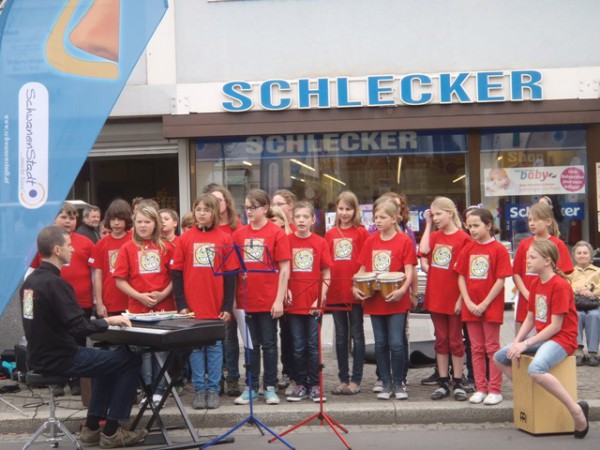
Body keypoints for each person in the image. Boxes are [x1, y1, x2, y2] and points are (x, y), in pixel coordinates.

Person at [21, 226, 147, 448]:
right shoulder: (56, 284)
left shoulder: (30, 284)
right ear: (57, 250)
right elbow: (78, 327)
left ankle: (91, 427)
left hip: (39, 356)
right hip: (61, 357)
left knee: (107, 360)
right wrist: (109, 321)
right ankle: (111, 431)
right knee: (130, 360)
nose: (73, 249)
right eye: (69, 245)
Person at [494, 240, 589, 439]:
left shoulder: (560, 285)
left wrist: (526, 343)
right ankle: (530, 393)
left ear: (547, 261)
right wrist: (518, 341)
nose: (527, 261)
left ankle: (576, 411)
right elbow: (530, 317)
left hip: (562, 339)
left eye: (532, 257)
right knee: (500, 357)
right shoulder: (536, 282)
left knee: (536, 369)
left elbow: (556, 326)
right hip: (543, 336)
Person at [171, 193, 237, 410]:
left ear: (214, 213)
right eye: (198, 209)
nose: (201, 213)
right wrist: (181, 304)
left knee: (216, 348)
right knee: (197, 349)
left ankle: (213, 389)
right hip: (192, 306)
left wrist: (227, 306)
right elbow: (177, 274)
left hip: (216, 304)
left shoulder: (225, 238)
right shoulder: (184, 238)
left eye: (206, 210)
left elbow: (230, 276)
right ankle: (199, 390)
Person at [29, 202, 96, 396]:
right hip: (51, 303)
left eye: (72, 218)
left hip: (80, 301)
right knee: (57, 339)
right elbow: (32, 272)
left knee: (78, 341)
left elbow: (95, 273)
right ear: (54, 218)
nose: (68, 221)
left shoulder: (85, 242)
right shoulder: (43, 243)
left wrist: (96, 299)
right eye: (64, 217)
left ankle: (77, 381)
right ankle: (58, 381)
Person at [353, 197, 416, 400]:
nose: (377, 221)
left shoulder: (404, 241)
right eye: (375, 217)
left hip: (397, 300)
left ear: (394, 218)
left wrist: (404, 291)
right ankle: (386, 383)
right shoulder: (370, 241)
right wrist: (355, 287)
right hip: (375, 300)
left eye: (382, 217)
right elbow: (362, 269)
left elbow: (409, 271)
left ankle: (399, 384)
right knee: (380, 343)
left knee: (396, 343)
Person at [232, 189, 291, 406]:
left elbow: (285, 269)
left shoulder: (276, 233)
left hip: (268, 298)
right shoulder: (239, 234)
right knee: (250, 345)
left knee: (269, 344)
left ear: (265, 208)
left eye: (252, 208)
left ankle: (269, 387)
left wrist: (279, 299)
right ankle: (250, 386)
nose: (248, 211)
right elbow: (233, 270)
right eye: (246, 207)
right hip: (245, 298)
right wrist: (234, 302)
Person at [113, 205, 175, 406]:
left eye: (147, 222)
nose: (142, 225)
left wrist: (163, 294)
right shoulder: (127, 248)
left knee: (162, 350)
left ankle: (160, 390)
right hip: (138, 309)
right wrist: (139, 296)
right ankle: (147, 390)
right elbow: (120, 280)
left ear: (155, 224)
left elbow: (175, 277)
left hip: (164, 307)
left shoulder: (166, 247)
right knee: (143, 352)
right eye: (139, 221)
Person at [454, 208, 512, 405]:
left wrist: (485, 303)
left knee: (492, 348)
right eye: (469, 226)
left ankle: (495, 389)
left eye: (476, 225)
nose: (472, 230)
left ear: (488, 225)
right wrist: (468, 302)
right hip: (471, 307)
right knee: (476, 348)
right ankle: (480, 387)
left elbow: (501, 279)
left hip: (490, 306)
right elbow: (460, 276)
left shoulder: (499, 249)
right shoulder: (468, 248)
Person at [418, 197, 471, 401]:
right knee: (441, 340)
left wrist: (460, 300)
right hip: (436, 296)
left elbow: (464, 272)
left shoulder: (463, 238)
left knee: (456, 340)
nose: (436, 217)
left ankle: (457, 380)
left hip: (454, 296)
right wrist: (429, 224)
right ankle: (442, 380)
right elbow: (423, 251)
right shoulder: (435, 236)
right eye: (433, 214)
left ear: (450, 213)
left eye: (438, 214)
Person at [285, 202, 332, 403]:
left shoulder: (320, 242)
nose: (302, 220)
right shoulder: (286, 241)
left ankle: (315, 384)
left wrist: (321, 296)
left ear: (313, 220)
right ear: (293, 220)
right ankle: (300, 382)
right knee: (297, 345)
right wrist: (284, 288)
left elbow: (326, 272)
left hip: (313, 303)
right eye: (298, 217)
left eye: (306, 217)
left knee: (313, 345)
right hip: (294, 302)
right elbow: (283, 270)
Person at [325, 191, 368, 396]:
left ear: (355, 210)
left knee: (357, 335)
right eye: (341, 209)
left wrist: (357, 283)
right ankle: (343, 378)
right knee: (341, 336)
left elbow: (365, 261)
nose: (344, 213)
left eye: (348, 209)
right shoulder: (330, 233)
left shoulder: (361, 232)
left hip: (355, 291)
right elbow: (326, 262)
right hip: (336, 290)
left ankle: (356, 379)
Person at [513, 203, 574, 333]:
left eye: (536, 220)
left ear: (548, 222)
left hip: (549, 302)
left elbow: (565, 274)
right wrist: (526, 294)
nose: (532, 223)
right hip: (527, 300)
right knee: (524, 342)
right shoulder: (524, 244)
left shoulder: (558, 244)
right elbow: (516, 273)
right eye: (529, 220)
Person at [207, 185, 242, 398]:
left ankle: (233, 378)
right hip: (210, 291)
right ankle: (216, 378)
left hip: (231, 290)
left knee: (230, 337)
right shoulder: (204, 229)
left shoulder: (236, 229)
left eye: (219, 199)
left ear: (227, 202)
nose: (216, 203)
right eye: (211, 199)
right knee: (214, 338)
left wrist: (234, 298)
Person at [271, 189, 296, 390]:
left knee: (290, 334)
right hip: (274, 289)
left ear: (290, 207)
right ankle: (284, 372)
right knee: (279, 335)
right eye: (274, 204)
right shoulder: (271, 232)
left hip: (293, 291)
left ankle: (292, 372)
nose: (276, 207)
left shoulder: (296, 231)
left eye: (280, 204)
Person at [90, 199, 133, 318]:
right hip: (110, 302)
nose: (116, 223)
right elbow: (97, 275)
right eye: (113, 219)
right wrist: (98, 302)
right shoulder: (101, 244)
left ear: (127, 219)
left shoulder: (134, 241)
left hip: (133, 302)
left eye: (120, 219)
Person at [568, 241, 600, 366]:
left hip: (594, 303)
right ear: (574, 256)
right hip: (576, 303)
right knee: (577, 315)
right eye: (579, 253)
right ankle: (578, 350)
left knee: (594, 316)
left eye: (585, 253)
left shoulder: (598, 271)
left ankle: (593, 352)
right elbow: (565, 287)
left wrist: (588, 288)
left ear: (590, 255)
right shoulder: (570, 272)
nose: (582, 255)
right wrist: (577, 289)